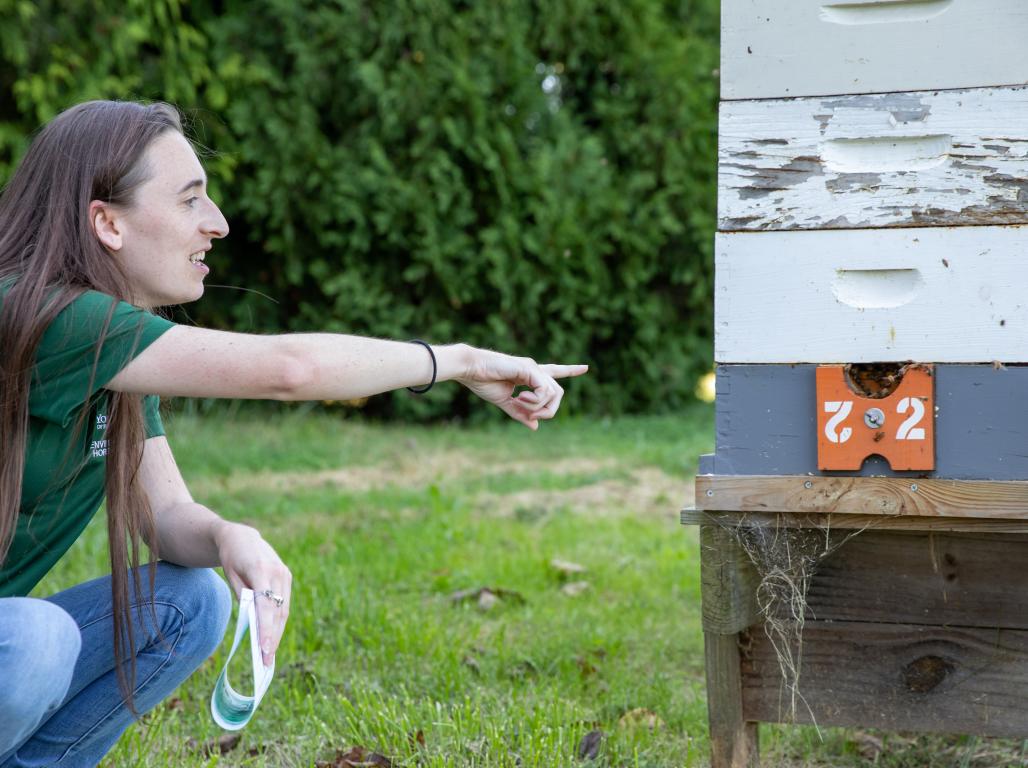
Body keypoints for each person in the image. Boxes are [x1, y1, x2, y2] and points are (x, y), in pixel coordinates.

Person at [0, 100, 588, 767]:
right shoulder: (45, 317)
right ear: (106, 222)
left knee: (191, 599)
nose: (217, 224)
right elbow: (289, 370)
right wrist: (457, 362)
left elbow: (163, 517)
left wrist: (227, 535)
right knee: (36, 640)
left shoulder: (118, 354)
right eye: (191, 200)